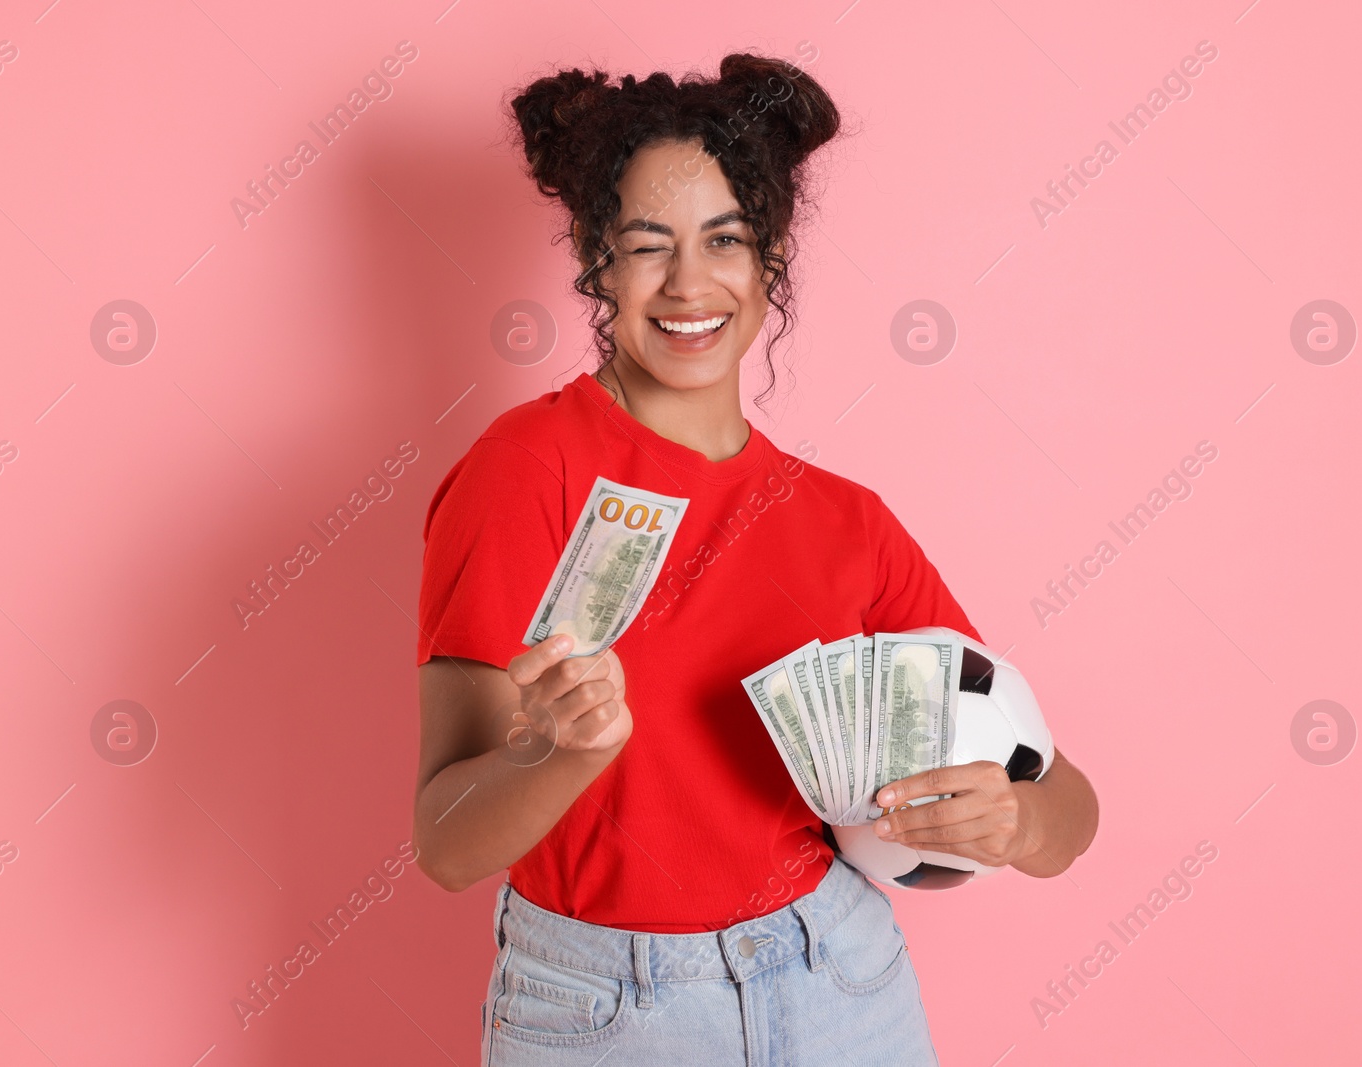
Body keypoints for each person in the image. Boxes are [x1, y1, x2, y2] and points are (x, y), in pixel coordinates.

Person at [412, 53, 1099, 1067]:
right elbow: (446, 844)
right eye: (647, 247)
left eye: (723, 241)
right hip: (604, 1005)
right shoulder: (525, 471)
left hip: (840, 982)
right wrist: (558, 751)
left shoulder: (845, 521)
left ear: (769, 256)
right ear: (598, 265)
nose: (688, 285)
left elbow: (1070, 808)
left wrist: (1018, 819)